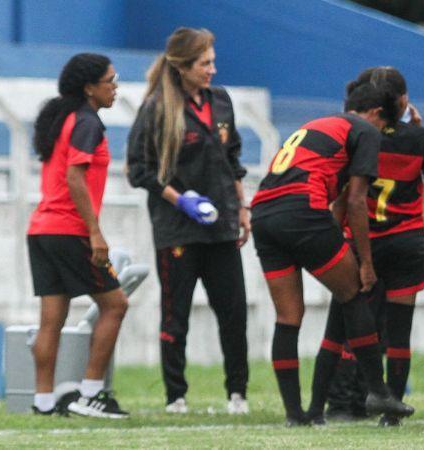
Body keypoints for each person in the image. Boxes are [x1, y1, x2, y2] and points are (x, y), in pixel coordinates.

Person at [250, 78, 414, 426]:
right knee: (354, 293)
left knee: (288, 317)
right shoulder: (365, 131)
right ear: (374, 113)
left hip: (264, 213)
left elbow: (337, 197)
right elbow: (355, 201)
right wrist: (366, 262)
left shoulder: (319, 125)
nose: (383, 134)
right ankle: (378, 391)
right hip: (302, 209)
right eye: (385, 125)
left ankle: (296, 415)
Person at [127, 27, 250, 415]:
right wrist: (181, 200)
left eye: (213, 61)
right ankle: (175, 395)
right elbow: (139, 170)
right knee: (175, 314)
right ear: (182, 67)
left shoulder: (222, 101)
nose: (212, 69)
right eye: (205, 63)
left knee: (233, 312)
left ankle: (238, 393)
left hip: (222, 226)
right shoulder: (157, 109)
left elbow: (233, 160)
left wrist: (242, 209)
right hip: (177, 228)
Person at [28, 53, 129, 418]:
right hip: (70, 231)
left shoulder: (63, 119)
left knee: (51, 319)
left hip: (41, 229)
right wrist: (95, 233)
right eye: (110, 81)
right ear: (89, 88)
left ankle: (42, 403)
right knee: (116, 305)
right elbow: (75, 178)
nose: (115, 88)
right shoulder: (88, 123)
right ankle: (91, 394)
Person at [343, 67, 424, 427]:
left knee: (356, 324)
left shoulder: (359, 136)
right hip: (406, 241)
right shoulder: (418, 138)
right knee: (400, 330)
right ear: (402, 101)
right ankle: (392, 410)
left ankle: (349, 398)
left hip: (364, 240)